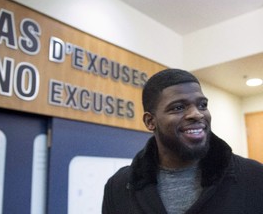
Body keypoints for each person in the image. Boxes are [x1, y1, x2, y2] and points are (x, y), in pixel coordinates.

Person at [102, 68, 263, 214]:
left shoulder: (254, 176)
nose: (197, 114)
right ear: (150, 121)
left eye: (202, 105)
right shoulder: (118, 186)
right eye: (178, 107)